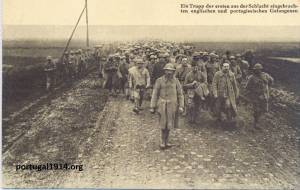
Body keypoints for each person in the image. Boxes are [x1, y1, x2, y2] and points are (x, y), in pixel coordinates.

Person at [150, 63, 184, 149]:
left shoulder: (176, 81)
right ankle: (162, 140)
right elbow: (155, 93)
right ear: (164, 71)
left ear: (173, 72)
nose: (169, 72)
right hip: (162, 104)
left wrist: (181, 106)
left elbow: (180, 94)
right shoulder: (159, 80)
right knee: (163, 123)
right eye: (167, 70)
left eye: (171, 71)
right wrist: (152, 106)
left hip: (172, 105)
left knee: (169, 123)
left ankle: (167, 140)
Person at [245, 63, 274, 129]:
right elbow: (247, 87)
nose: (257, 71)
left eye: (258, 69)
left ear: (261, 69)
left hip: (264, 96)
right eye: (256, 70)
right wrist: (254, 91)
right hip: (255, 96)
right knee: (256, 109)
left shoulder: (265, 75)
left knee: (264, 109)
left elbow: (271, 81)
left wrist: (268, 89)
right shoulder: (251, 77)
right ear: (254, 70)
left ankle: (257, 118)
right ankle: (256, 123)